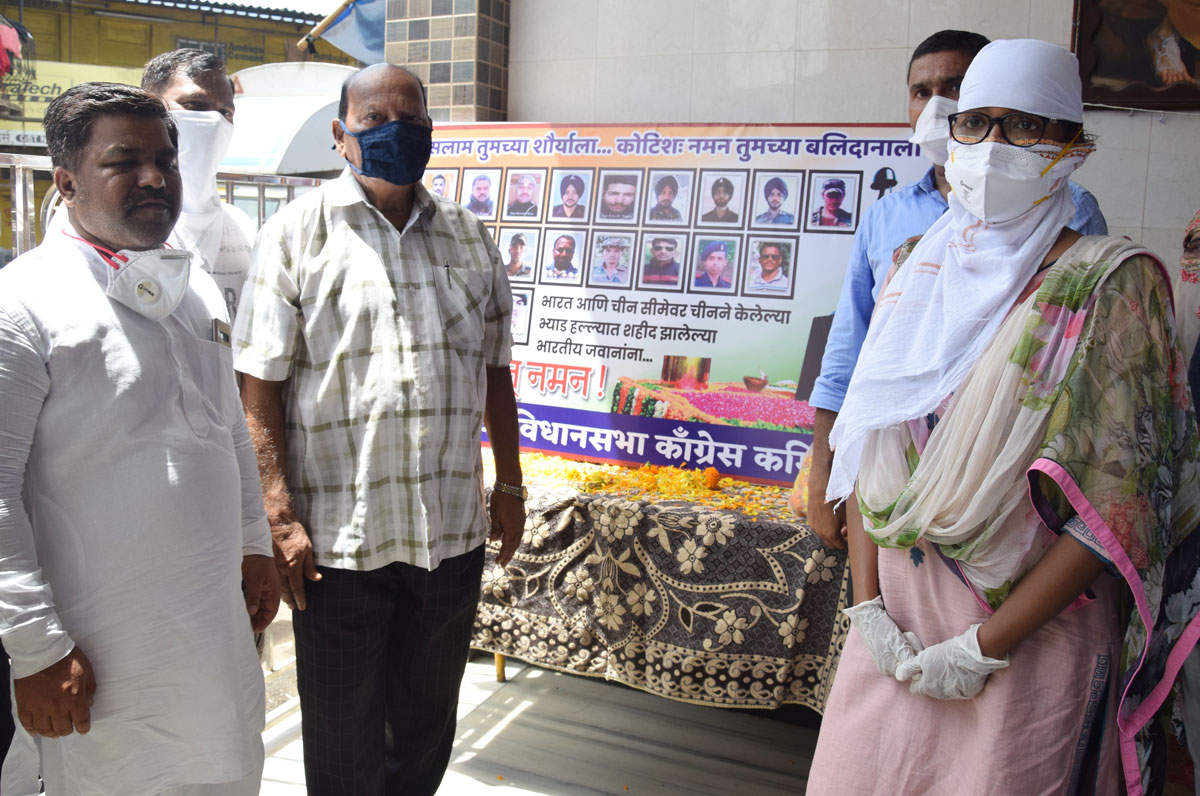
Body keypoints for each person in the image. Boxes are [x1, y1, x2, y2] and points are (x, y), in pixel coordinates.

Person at [807, 40, 1200, 795]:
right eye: (976, 123)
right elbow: (868, 443)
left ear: (1071, 146)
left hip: (1024, 641)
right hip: (893, 621)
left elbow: (1113, 511)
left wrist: (981, 647)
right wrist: (866, 610)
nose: (993, 147)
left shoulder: (1110, 286)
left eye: (1025, 127)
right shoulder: (913, 267)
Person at [233, 64, 525, 796]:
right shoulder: (295, 235)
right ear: (340, 136)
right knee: (341, 739)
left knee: (426, 730)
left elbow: (495, 372)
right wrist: (276, 510)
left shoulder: (468, 236)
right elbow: (258, 384)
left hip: (449, 538)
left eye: (413, 120)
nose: (398, 133)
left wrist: (513, 486)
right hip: (338, 545)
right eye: (376, 122)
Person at [0, 82, 277, 795]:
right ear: (65, 182)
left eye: (167, 159)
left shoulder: (197, 291)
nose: (156, 178)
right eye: (125, 161)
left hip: (212, 638)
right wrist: (34, 649)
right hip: (94, 654)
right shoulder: (22, 304)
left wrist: (253, 543)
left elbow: (227, 433)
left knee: (225, 768)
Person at [800, 29, 1109, 545]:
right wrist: (824, 478)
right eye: (922, 92)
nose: (938, 104)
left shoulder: (1074, 215)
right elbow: (850, 361)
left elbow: (1082, 370)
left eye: (955, 88)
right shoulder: (890, 224)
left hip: (1010, 491)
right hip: (891, 484)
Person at [140, 49, 257, 322]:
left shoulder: (242, 226)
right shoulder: (121, 221)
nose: (214, 121)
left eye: (225, 112)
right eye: (194, 105)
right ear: (150, 106)